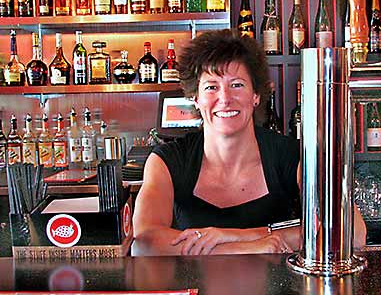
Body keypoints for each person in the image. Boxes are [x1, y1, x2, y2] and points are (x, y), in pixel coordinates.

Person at [131, 29, 366, 255]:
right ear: (195, 98)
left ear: (256, 95)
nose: (225, 99)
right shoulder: (168, 160)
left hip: (278, 294)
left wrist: (236, 235)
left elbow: (352, 232)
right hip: (198, 294)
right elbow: (144, 243)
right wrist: (245, 248)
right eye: (211, 87)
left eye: (237, 85)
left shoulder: (291, 155)